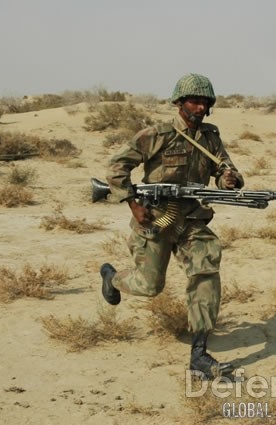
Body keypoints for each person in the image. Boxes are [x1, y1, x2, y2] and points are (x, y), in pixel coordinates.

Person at [99, 73, 244, 379]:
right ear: (179, 102)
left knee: (206, 270)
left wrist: (228, 178)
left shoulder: (210, 137)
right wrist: (134, 205)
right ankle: (112, 278)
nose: (200, 108)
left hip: (191, 219)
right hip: (156, 219)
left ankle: (199, 355)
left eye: (205, 102)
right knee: (151, 286)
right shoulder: (157, 135)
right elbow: (116, 167)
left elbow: (225, 167)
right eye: (194, 101)